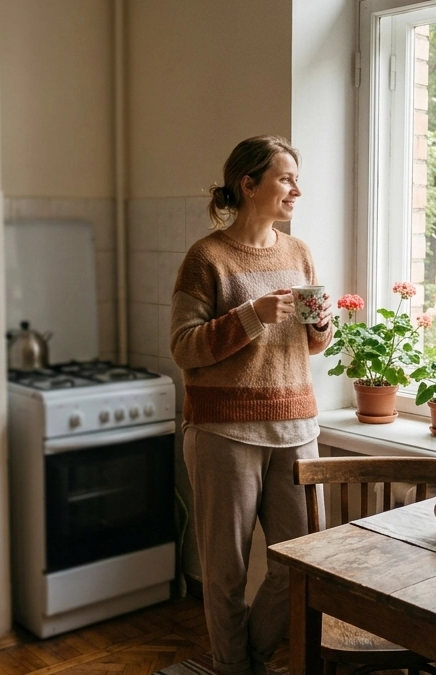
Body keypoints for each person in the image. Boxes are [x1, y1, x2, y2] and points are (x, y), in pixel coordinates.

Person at [169, 135, 332, 675]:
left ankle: (249, 662)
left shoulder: (299, 252)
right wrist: (252, 315)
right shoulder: (206, 257)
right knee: (225, 572)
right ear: (249, 184)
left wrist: (321, 327)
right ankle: (233, 668)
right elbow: (184, 347)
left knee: (300, 561)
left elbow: (310, 345)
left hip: (296, 427)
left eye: (295, 178)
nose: (296, 190)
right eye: (286, 178)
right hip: (223, 434)